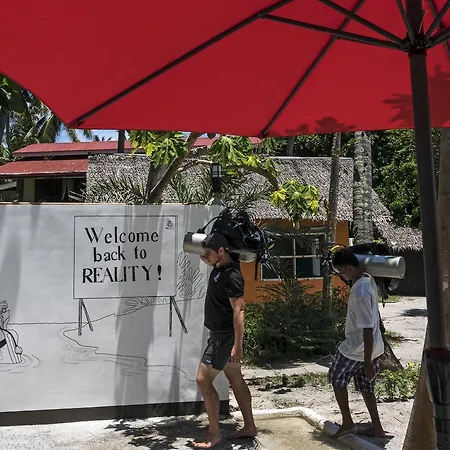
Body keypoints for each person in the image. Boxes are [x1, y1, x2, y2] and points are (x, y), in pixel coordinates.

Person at [194, 232, 257, 449]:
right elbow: (217, 267)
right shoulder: (220, 268)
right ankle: (250, 426)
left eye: (208, 253)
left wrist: (237, 345)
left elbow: (239, 311)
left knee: (202, 380)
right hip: (221, 335)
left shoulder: (232, 276)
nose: (205, 256)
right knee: (235, 377)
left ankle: (214, 433)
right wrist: (210, 260)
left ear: (222, 251)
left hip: (224, 337)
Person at [328, 248, 386, 438]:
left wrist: (367, 361)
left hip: (358, 348)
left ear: (350, 268)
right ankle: (376, 427)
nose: (341, 276)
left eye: (341, 272)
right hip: (374, 347)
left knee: (336, 376)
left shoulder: (360, 292)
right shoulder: (368, 279)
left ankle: (347, 422)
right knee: (366, 386)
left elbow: (367, 328)